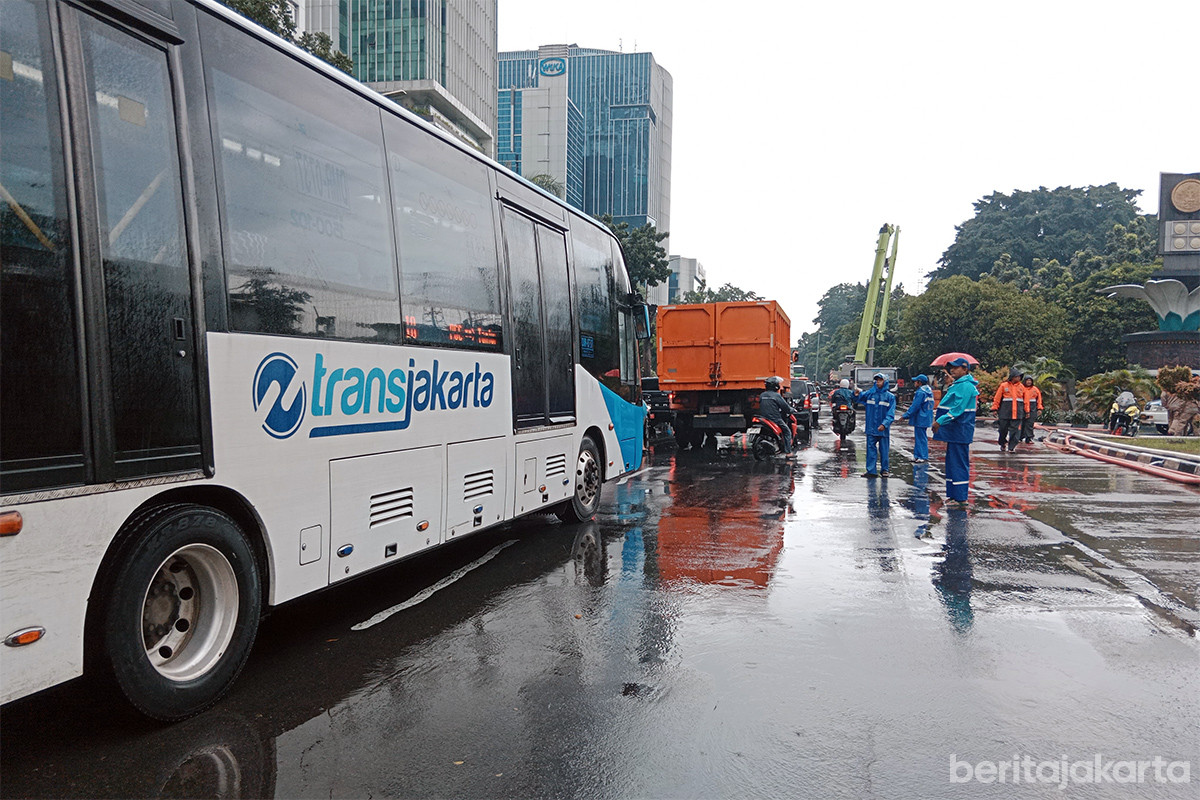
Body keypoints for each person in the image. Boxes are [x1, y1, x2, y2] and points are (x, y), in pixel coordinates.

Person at [931, 357, 979, 506]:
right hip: (954, 433)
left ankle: (960, 498)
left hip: (960, 431)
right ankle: (953, 495)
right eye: (951, 367)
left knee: (958, 463)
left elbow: (958, 409)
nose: (952, 370)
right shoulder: (957, 385)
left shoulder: (965, 386)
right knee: (952, 463)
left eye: (956, 367)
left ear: (965, 369)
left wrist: (940, 421)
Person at [858, 372, 896, 477]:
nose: (878, 382)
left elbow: (891, 414)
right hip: (871, 427)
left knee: (884, 450)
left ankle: (885, 470)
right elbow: (859, 397)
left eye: (880, 380)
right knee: (871, 450)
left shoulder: (890, 397)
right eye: (877, 380)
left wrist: (884, 424)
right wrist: (856, 393)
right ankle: (871, 471)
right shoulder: (870, 394)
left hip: (883, 429)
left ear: (885, 382)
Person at [758, 376, 796, 455]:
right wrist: (792, 410)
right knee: (787, 432)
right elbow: (785, 407)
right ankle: (788, 453)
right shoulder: (777, 396)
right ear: (775, 386)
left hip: (763, 418)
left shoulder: (762, 395)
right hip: (775, 419)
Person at [902, 374, 935, 462]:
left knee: (920, 437)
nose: (914, 383)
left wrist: (905, 415)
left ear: (919, 383)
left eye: (916, 381)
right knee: (920, 437)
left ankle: (922, 456)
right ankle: (917, 455)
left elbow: (915, 406)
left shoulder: (920, 392)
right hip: (927, 417)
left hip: (920, 417)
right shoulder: (929, 391)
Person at [991, 367, 1025, 451]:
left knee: (1015, 431)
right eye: (1017, 376)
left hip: (1017, 412)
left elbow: (1026, 400)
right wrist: (995, 409)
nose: (1019, 378)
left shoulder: (1021, 387)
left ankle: (1011, 447)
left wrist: (1027, 411)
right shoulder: (1003, 386)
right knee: (1002, 429)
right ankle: (1002, 443)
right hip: (1005, 412)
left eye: (1020, 376)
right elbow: (997, 398)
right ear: (1012, 377)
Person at [1020, 375, 1042, 443]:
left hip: (1033, 407)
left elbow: (1039, 399)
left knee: (1030, 423)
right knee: (1021, 423)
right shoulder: (1021, 388)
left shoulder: (1035, 389)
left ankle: (1029, 438)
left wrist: (1039, 408)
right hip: (1022, 407)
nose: (1029, 382)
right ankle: (1019, 437)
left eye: (1030, 380)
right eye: (1027, 380)